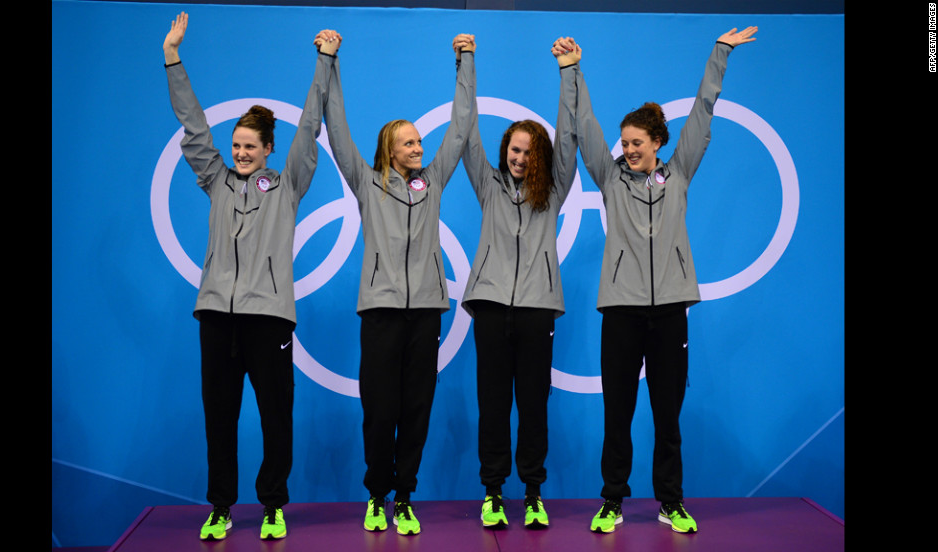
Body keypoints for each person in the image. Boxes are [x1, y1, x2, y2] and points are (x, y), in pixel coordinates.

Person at [563, 27, 759, 534]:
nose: (627, 149)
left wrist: (721, 53)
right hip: (622, 312)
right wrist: (572, 71)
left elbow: (702, 114)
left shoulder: (680, 174)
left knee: (668, 418)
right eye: (624, 143)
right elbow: (585, 127)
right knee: (618, 414)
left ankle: (671, 501)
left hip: (671, 311)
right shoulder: (609, 179)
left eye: (635, 143)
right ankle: (612, 501)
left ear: (657, 144)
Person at [163, 12, 337, 541]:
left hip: (268, 321)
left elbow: (309, 127)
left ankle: (273, 505)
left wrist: (324, 62)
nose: (239, 153)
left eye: (248, 146)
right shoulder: (214, 181)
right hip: (216, 315)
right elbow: (193, 127)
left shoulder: (287, 187)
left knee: (274, 418)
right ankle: (220, 506)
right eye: (235, 145)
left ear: (267, 151)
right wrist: (173, 58)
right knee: (220, 418)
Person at [319, 30, 477, 536]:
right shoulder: (367, 184)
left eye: (418, 141)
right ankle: (377, 494)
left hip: (426, 310)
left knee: (416, 410)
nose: (419, 146)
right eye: (408, 142)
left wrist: (464, 62)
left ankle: (405, 496)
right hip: (382, 312)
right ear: (389, 149)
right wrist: (331, 61)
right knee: (379, 410)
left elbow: (460, 128)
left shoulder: (429, 184)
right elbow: (336, 128)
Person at [459, 38, 579, 530]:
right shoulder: (487, 185)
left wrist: (568, 72)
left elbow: (570, 138)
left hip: (535, 309)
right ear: (505, 148)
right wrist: (466, 61)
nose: (519, 158)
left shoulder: (553, 191)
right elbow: (465, 132)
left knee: (532, 405)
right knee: (493, 404)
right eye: (514, 149)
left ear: (540, 157)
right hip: (489, 306)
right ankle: (492, 492)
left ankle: (532, 492)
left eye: (529, 152)